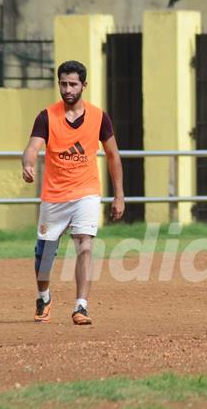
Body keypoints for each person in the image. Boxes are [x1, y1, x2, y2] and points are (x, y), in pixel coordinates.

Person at [22, 60, 125, 324]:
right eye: (63, 84)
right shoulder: (46, 116)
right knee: (44, 256)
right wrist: (28, 162)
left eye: (73, 84)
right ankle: (43, 296)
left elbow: (113, 155)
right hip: (54, 196)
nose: (67, 89)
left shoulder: (100, 116)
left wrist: (119, 195)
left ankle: (81, 307)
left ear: (84, 85)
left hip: (86, 191)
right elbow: (33, 147)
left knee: (85, 245)